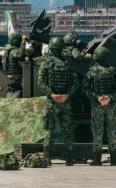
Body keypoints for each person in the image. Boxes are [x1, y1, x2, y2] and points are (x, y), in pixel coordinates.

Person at [38, 37, 79, 166]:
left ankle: (47, 157)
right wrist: (66, 95)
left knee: (50, 129)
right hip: (65, 102)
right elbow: (75, 83)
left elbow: (41, 81)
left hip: (52, 101)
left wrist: (52, 94)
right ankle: (70, 157)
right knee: (67, 129)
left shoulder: (46, 63)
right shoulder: (67, 63)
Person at [82, 47, 116, 166]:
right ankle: (113, 159)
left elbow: (85, 87)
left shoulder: (92, 71)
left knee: (97, 130)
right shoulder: (113, 70)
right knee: (112, 131)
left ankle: (97, 159)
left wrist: (98, 97)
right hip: (110, 105)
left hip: (97, 105)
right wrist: (110, 97)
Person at [2, 33, 27, 98]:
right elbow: (20, 54)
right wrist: (23, 42)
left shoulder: (9, 50)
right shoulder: (14, 51)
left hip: (12, 76)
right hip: (16, 76)